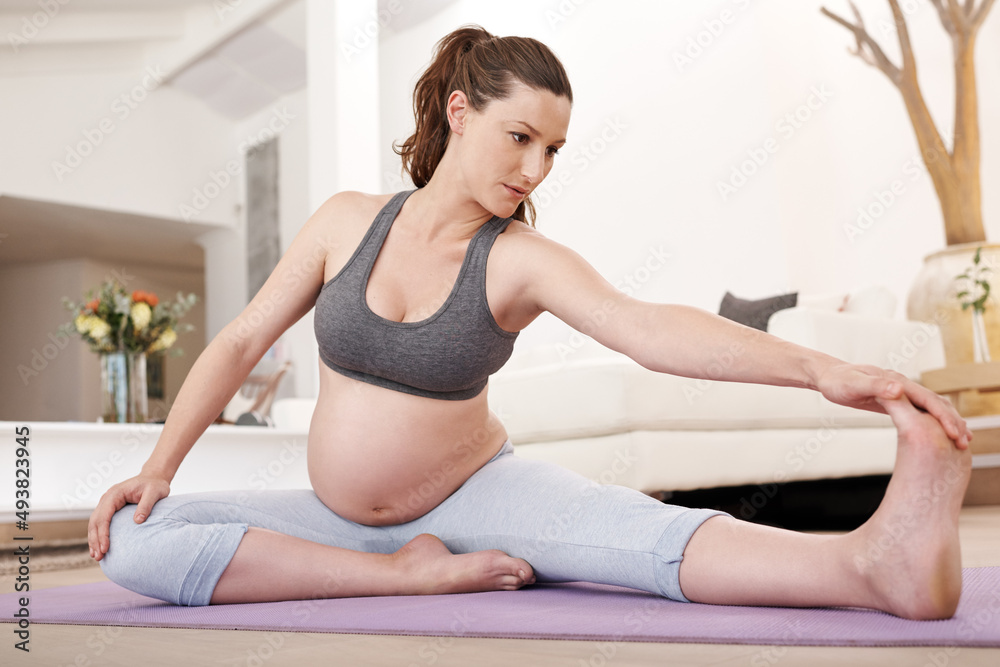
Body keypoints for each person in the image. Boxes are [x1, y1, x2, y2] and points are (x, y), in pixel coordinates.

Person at [89, 25, 973, 620]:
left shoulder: (514, 258)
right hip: (338, 523)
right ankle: (400, 577)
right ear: (460, 112)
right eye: (520, 138)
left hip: (482, 498)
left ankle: (871, 562)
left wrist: (823, 370)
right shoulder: (344, 221)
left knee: (638, 539)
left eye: (551, 150)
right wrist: (157, 469)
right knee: (133, 540)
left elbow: (647, 328)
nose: (536, 168)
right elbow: (243, 339)